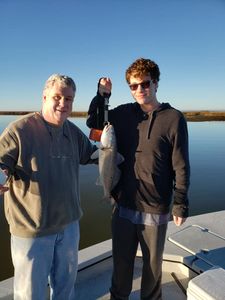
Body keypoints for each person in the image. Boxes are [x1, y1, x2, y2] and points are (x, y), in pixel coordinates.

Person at [86, 58, 190, 300]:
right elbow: (94, 122)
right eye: (133, 86)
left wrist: (181, 202)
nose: (139, 90)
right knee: (121, 263)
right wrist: (102, 96)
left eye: (144, 84)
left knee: (153, 269)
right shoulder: (122, 114)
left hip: (156, 205)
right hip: (123, 204)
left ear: (155, 83)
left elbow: (181, 165)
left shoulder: (174, 118)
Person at [0, 74, 96, 300]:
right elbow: (1, 161)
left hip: (69, 226)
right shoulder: (19, 130)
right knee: (30, 294)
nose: (63, 103)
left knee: (65, 288)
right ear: (44, 97)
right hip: (32, 230)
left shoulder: (72, 132)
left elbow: (92, 155)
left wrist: (117, 153)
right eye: (58, 97)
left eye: (69, 99)